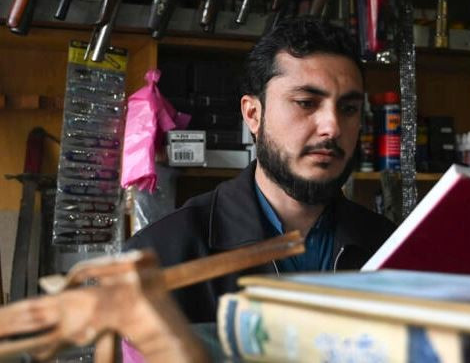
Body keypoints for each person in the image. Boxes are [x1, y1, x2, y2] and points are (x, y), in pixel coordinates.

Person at [126, 16, 395, 323]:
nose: (332, 127)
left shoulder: (389, 248)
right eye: (306, 103)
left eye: (348, 109)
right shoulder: (163, 256)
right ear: (253, 114)